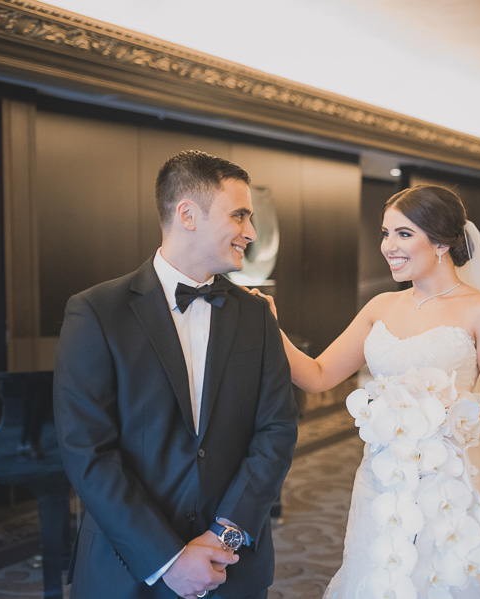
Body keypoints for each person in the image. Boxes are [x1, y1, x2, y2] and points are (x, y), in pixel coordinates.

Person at [251, 184, 480, 598]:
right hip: (381, 477)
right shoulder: (380, 307)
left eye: (403, 234)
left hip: (447, 477)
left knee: (441, 576)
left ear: (440, 242)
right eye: (386, 233)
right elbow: (317, 375)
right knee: (379, 571)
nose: (388, 246)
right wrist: (270, 326)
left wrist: (445, 416)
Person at [53, 150, 298, 599]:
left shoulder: (257, 315)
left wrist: (225, 535)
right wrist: (168, 557)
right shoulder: (95, 312)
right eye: (240, 216)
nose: (251, 232)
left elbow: (277, 430)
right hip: (127, 569)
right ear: (187, 214)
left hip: (232, 568)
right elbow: (87, 451)